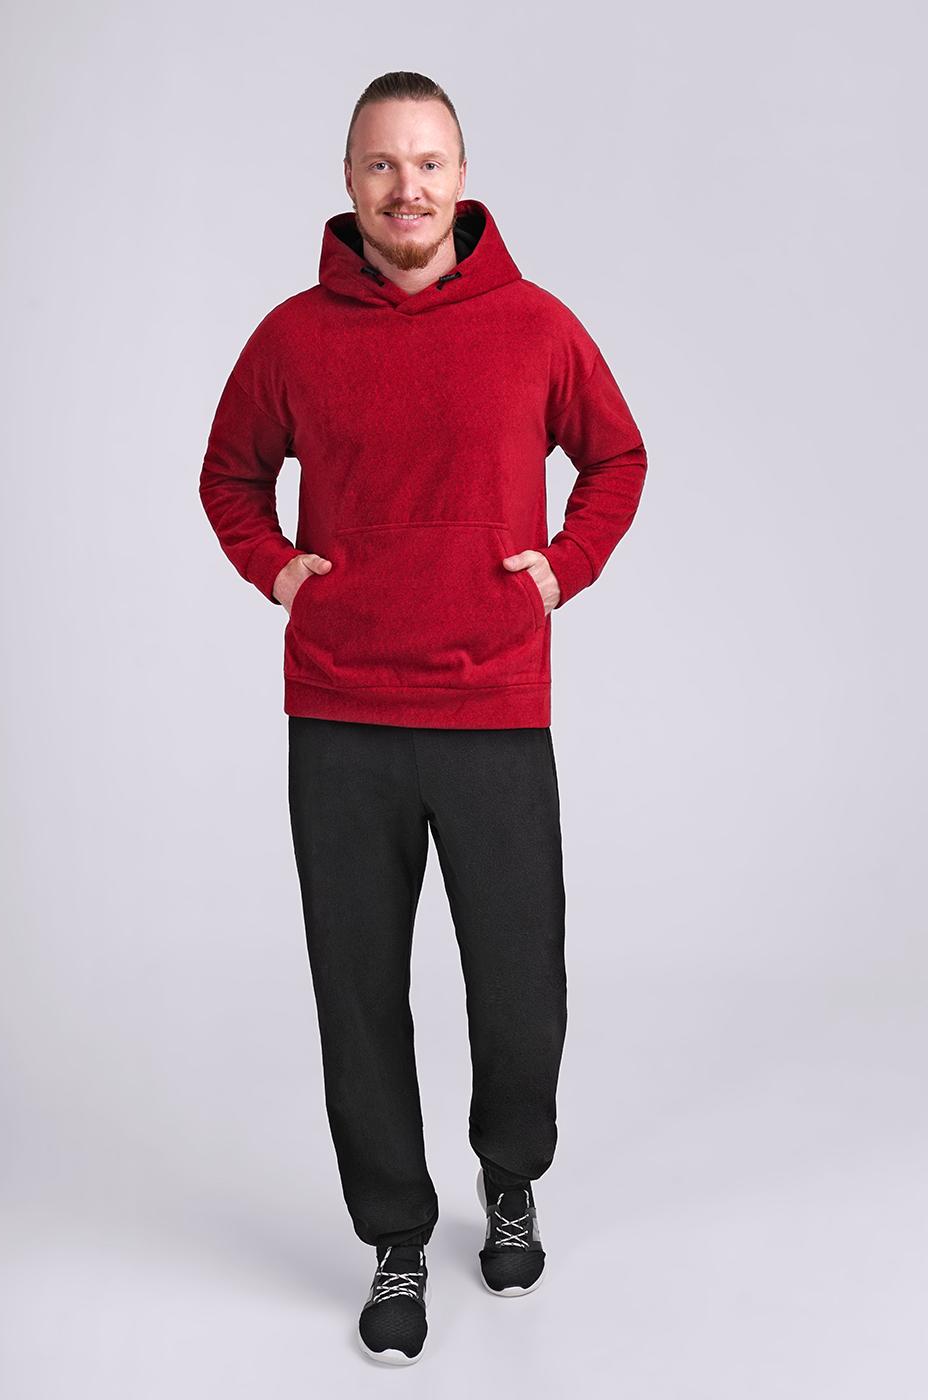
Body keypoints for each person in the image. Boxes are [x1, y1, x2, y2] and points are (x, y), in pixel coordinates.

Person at [199, 70, 647, 1365]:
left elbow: (616, 457)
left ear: (463, 176)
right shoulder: (293, 337)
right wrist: (276, 568)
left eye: (430, 162)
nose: (408, 188)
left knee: (521, 991)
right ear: (349, 182)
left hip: (493, 704)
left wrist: (564, 566)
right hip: (340, 713)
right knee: (358, 995)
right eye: (383, 164)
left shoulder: (536, 325)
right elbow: (231, 476)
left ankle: (510, 1173)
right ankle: (395, 1234)